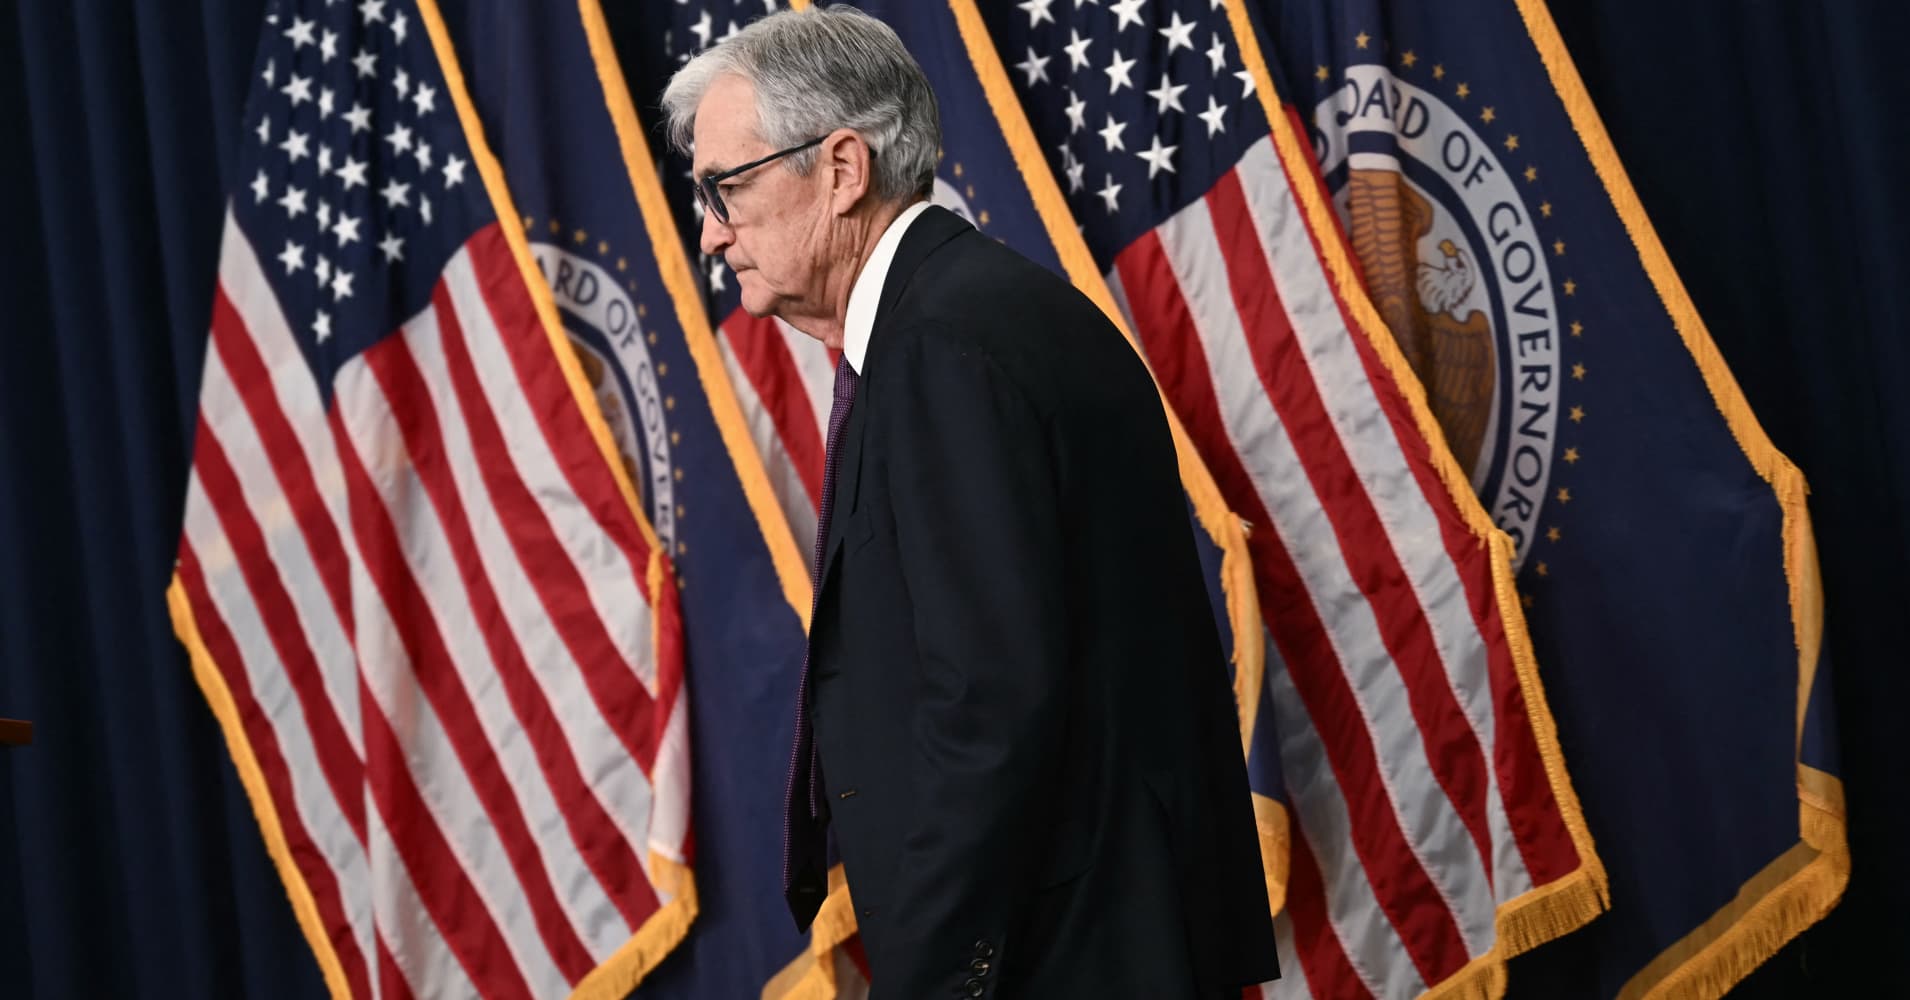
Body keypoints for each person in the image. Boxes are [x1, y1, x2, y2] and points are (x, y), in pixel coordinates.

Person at [662, 7, 1277, 997]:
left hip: (1065, 953)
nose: (711, 231)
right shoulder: (970, 314)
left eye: (726, 187)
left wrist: (936, 976)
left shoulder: (942, 349)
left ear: (840, 169)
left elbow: (989, 702)